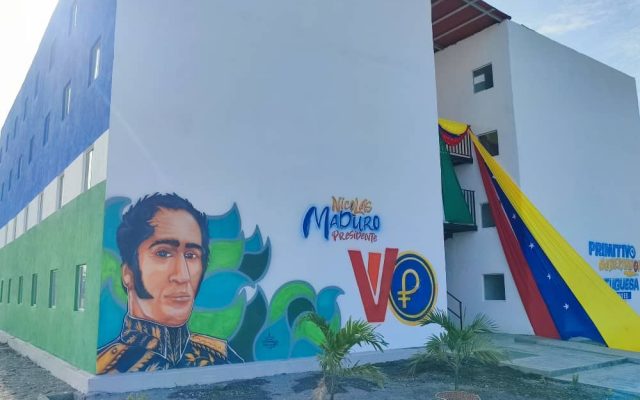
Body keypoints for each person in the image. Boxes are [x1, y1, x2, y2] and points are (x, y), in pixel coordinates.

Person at [97, 193, 242, 374]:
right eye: (163, 253)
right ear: (128, 273)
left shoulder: (223, 359)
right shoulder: (107, 369)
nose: (182, 276)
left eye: (191, 255)